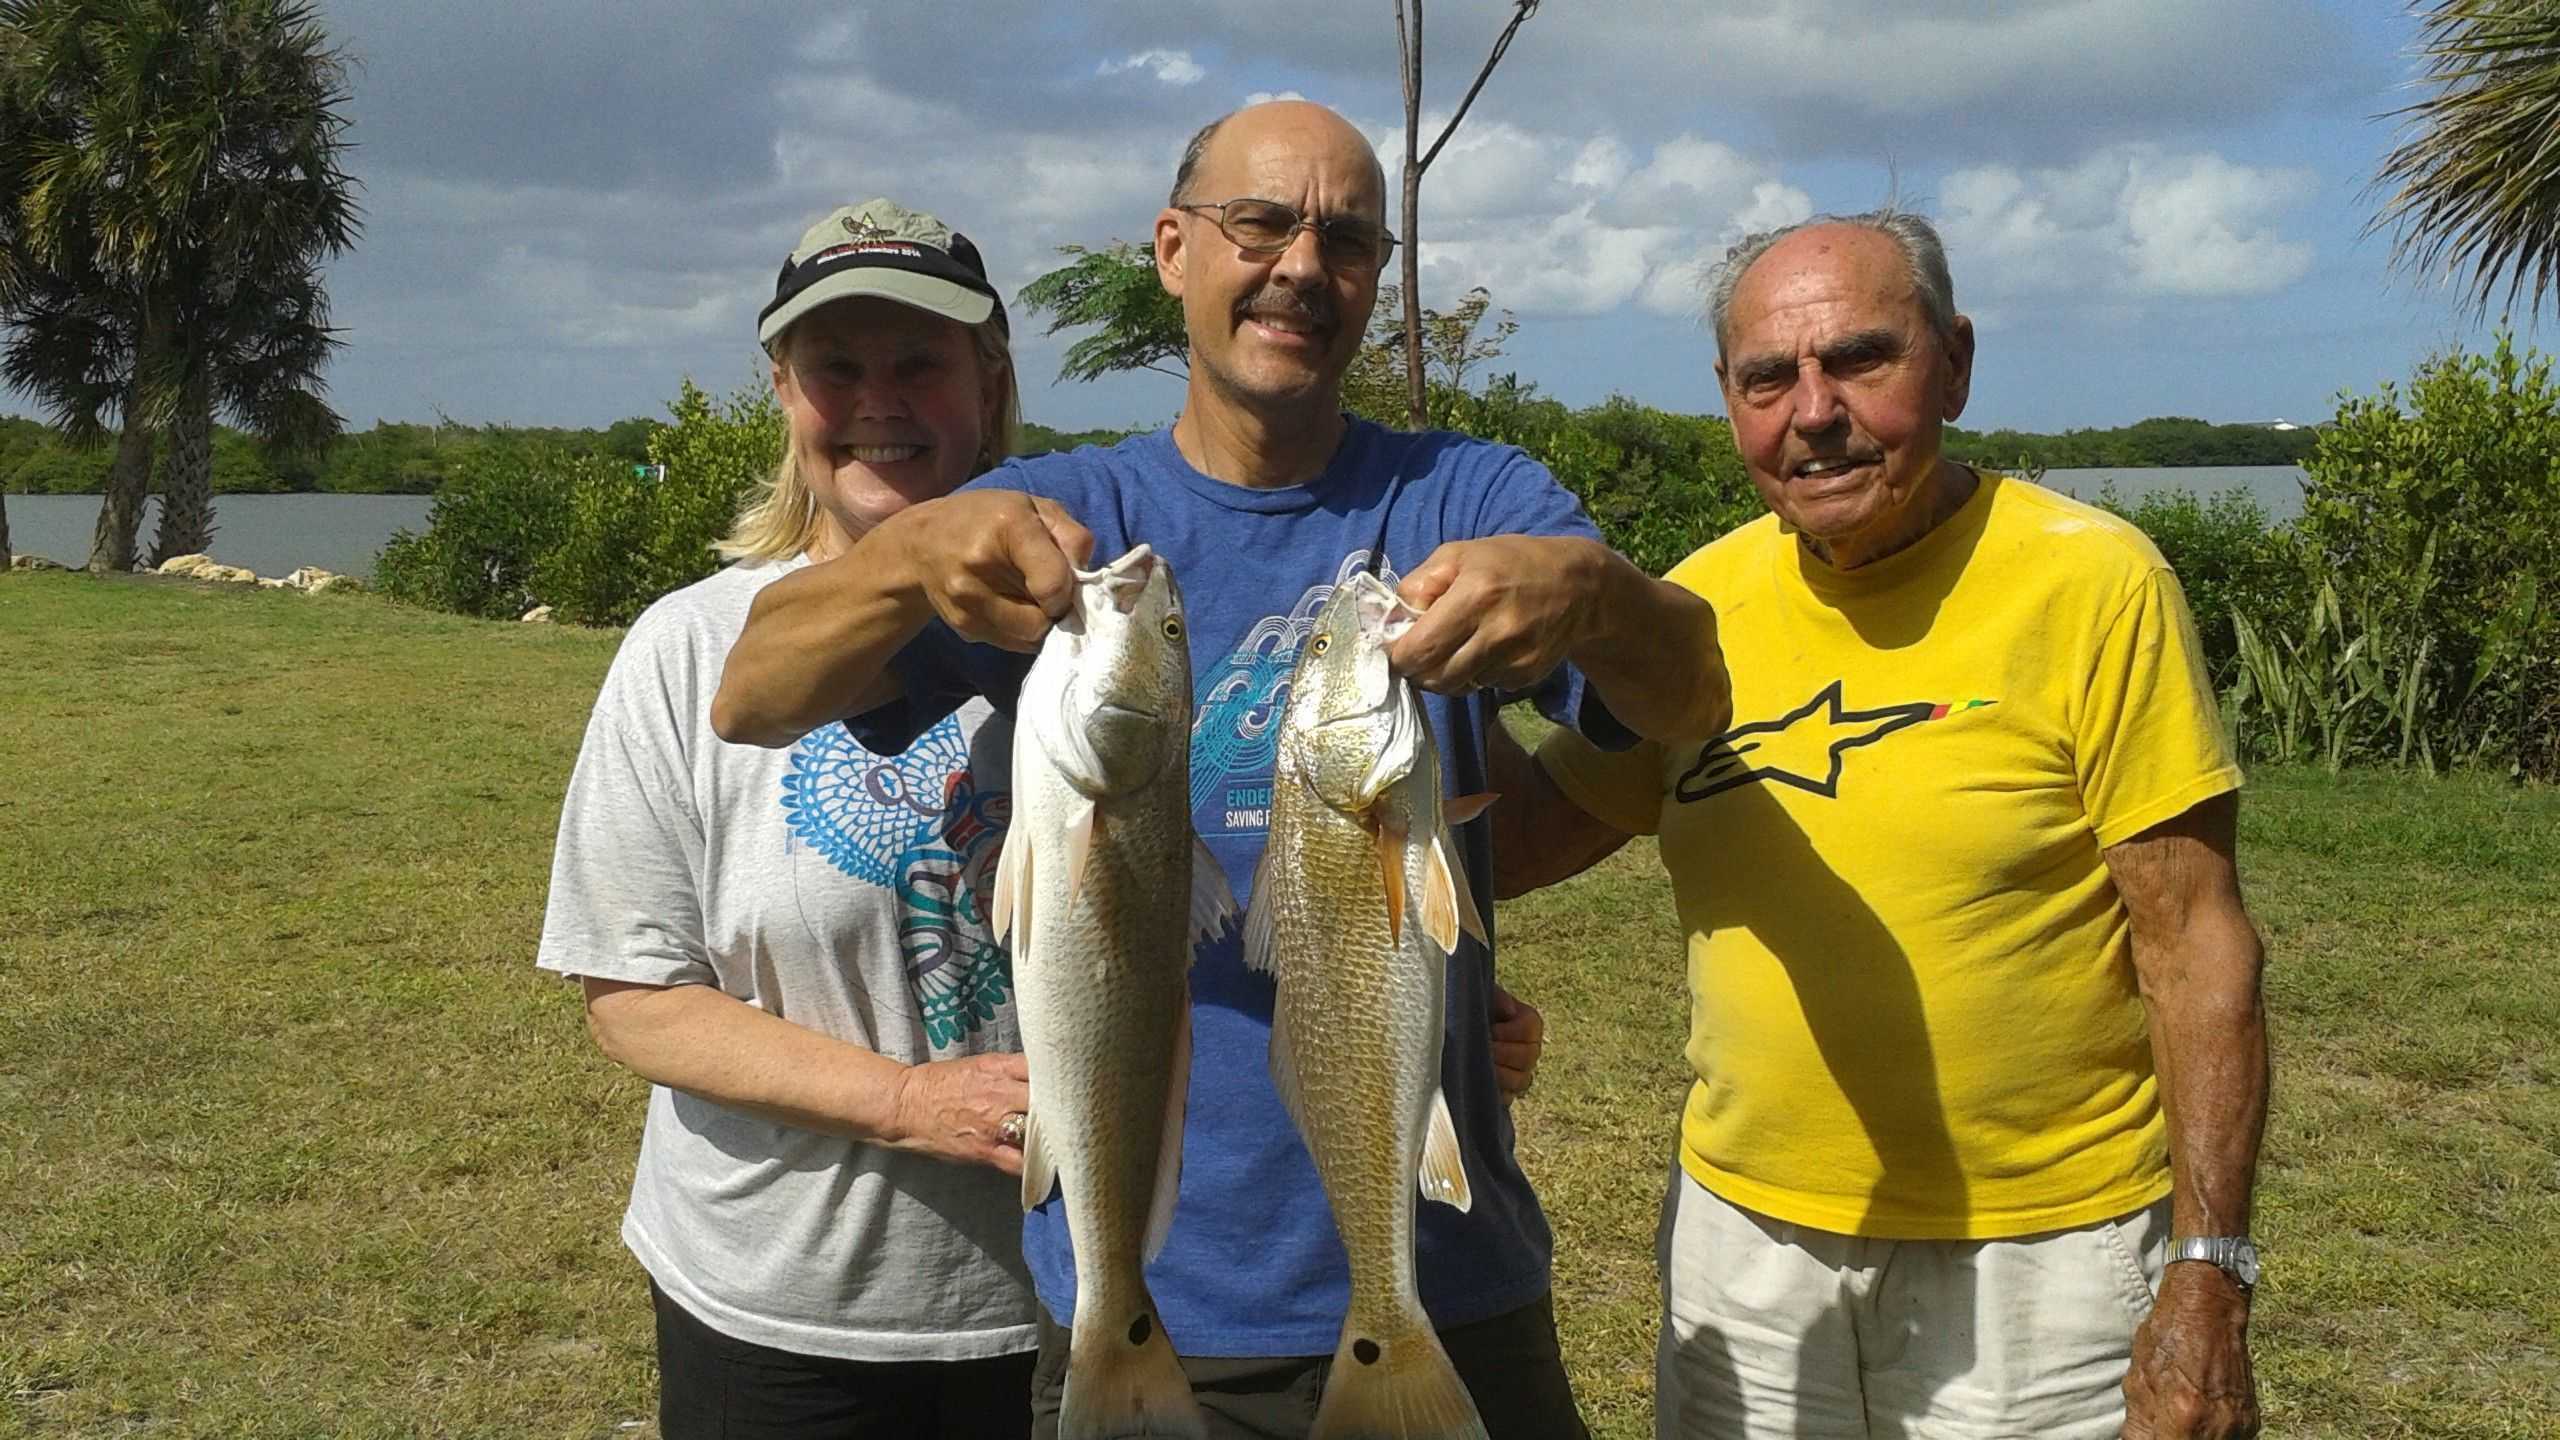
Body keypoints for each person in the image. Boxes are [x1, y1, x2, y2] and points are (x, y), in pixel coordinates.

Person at [711, 99, 1732, 1440]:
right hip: (1144, 1300)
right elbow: (756, 693)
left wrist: (1597, 593)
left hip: (1441, 1274)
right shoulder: (1075, 519)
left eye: (1347, 239)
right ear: (1172, 250)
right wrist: (905, 562)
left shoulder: (1472, 497)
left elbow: (1690, 701)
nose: (1303, 265)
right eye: (1261, 223)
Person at [1513, 211, 2269, 1440]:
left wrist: (2205, 1272)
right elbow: (1522, 836)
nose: (1812, 412)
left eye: (1861, 358)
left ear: (1954, 363)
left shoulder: (2091, 582)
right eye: (1768, 378)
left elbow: (2195, 945)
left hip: (2042, 1261)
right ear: (1728, 400)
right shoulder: (1694, 608)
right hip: (1743, 1248)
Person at [536, 198, 1047, 1439]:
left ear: (988, 382)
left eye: (920, 362)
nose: (880, 400)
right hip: (782, 1312)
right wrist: (911, 1102)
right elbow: (636, 998)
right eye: (837, 368)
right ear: (783, 391)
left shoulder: (1100, 629)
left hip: (1080, 1295)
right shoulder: (688, 645)